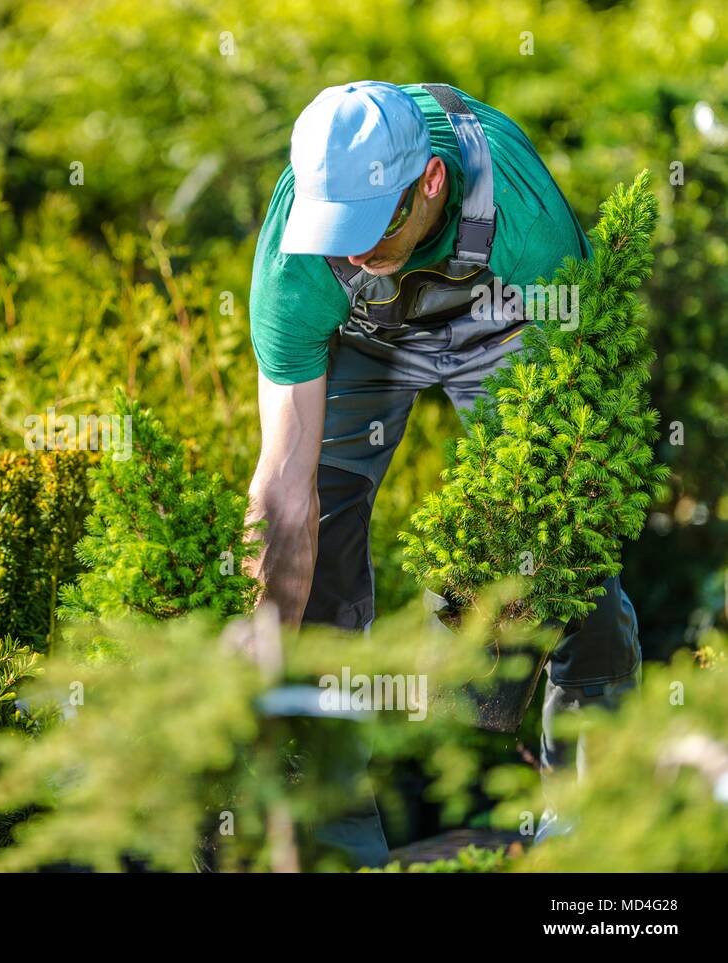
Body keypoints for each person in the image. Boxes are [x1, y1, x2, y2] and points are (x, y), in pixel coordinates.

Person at [244, 80, 641, 867]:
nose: (352, 251)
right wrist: (262, 650)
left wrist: (490, 606)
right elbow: (284, 486)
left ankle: (593, 841)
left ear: (429, 181)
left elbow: (573, 468)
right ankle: (334, 848)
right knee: (312, 565)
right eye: (336, 232)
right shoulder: (302, 262)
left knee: (579, 579)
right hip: (361, 336)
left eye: (370, 227)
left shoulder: (532, 230)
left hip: (502, 313)